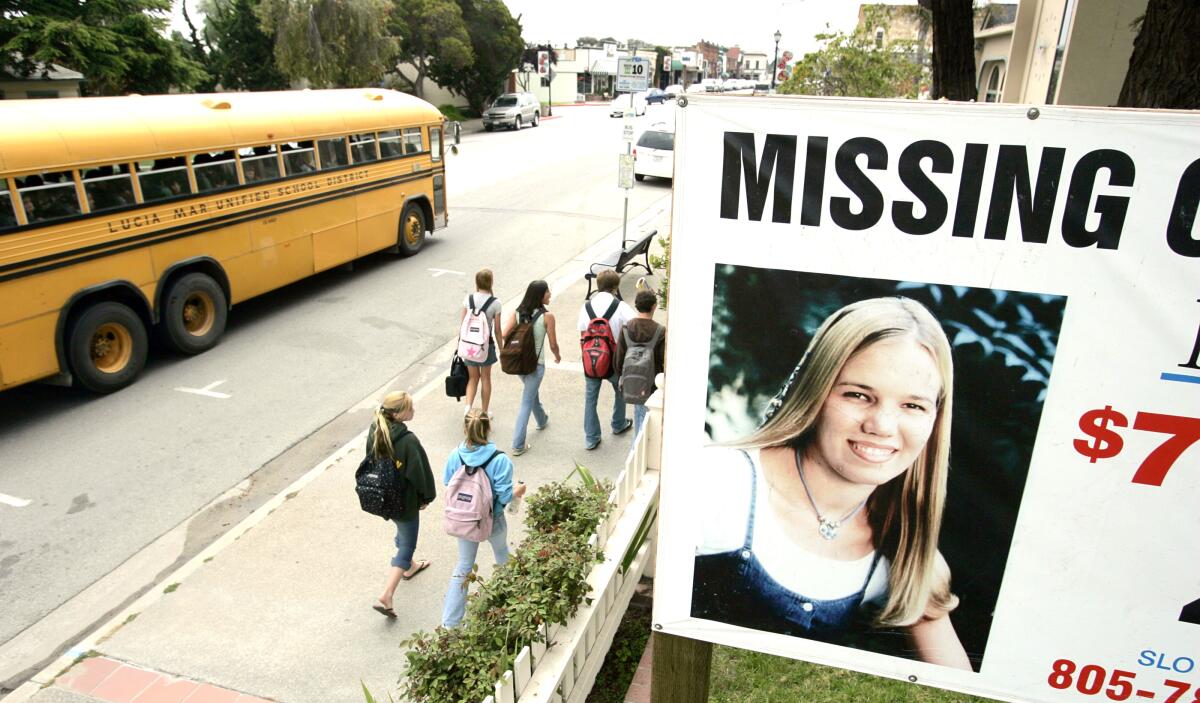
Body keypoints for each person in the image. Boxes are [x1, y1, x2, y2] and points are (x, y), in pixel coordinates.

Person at [691, 296, 971, 670]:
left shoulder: (905, 551)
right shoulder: (719, 482)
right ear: (816, 392)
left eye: (913, 406)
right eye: (858, 395)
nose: (882, 426)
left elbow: (960, 683)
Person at [441, 409, 527, 627]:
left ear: (465, 429)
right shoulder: (499, 459)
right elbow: (505, 496)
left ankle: (450, 624)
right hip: (493, 519)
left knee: (463, 566)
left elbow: (447, 484)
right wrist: (518, 490)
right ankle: (512, 606)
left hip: (465, 521)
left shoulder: (455, 455)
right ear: (488, 428)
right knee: (501, 553)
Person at [365, 391, 437, 618]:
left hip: (383, 497)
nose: (413, 410)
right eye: (410, 408)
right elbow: (419, 473)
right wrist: (426, 498)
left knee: (401, 531)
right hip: (404, 501)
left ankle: (411, 566)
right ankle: (387, 594)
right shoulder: (408, 441)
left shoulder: (375, 430)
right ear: (398, 414)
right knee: (407, 544)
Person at [501, 280, 562, 455]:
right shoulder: (547, 317)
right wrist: (558, 356)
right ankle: (518, 445)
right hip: (536, 365)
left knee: (531, 393)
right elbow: (553, 344)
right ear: (540, 295)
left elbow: (505, 334)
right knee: (526, 402)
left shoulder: (518, 312)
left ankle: (542, 420)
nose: (550, 294)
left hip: (519, 363)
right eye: (547, 292)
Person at [578, 270, 636, 450]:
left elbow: (582, 334)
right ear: (615, 286)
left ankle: (591, 438)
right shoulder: (620, 306)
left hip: (591, 358)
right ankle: (618, 424)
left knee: (590, 398)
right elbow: (634, 326)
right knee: (620, 391)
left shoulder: (586, 307)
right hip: (614, 359)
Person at [615, 288, 666, 442]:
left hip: (634, 382)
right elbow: (664, 360)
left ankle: (638, 449)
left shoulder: (626, 328)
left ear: (636, 306)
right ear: (654, 306)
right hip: (653, 384)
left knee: (640, 417)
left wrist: (624, 376)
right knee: (649, 422)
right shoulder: (660, 331)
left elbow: (618, 359)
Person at [461, 268, 503, 415]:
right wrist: (502, 349)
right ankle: (484, 412)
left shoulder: (468, 299)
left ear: (477, 282)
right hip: (486, 346)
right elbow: (497, 330)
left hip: (469, 346)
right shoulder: (496, 303)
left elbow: (462, 325)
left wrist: (459, 346)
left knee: (473, 378)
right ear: (490, 282)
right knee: (485, 378)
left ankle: (468, 409)